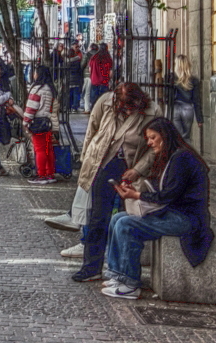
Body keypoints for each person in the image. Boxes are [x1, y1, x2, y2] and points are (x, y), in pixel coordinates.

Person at [103, 117, 213, 300]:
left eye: (153, 137)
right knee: (117, 219)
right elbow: (164, 191)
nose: (150, 143)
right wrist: (137, 192)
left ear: (165, 136)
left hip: (188, 219)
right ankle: (117, 274)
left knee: (127, 225)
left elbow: (168, 195)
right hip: (175, 212)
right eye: (148, 138)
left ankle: (129, 284)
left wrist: (136, 195)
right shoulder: (173, 156)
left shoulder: (182, 158)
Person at [71, 83, 161, 283]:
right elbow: (92, 130)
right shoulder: (106, 102)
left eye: (131, 107)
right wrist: (87, 159)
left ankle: (120, 270)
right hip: (102, 163)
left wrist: (138, 170)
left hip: (131, 167)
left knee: (124, 219)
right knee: (97, 217)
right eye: (124, 107)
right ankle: (91, 267)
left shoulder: (152, 111)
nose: (128, 110)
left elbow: (155, 147)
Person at [24, 65, 60, 185]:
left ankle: (41, 175)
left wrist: (25, 122)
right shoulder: (50, 89)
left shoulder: (37, 89)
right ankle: (50, 174)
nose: (33, 74)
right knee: (48, 149)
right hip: (48, 122)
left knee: (39, 150)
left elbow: (31, 108)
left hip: (38, 122)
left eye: (35, 72)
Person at [170, 54, 203, 142]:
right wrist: (199, 119)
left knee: (176, 138)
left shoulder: (171, 77)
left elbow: (168, 96)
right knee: (186, 138)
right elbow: (197, 100)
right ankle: (186, 154)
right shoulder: (194, 80)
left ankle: (178, 154)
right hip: (188, 109)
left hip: (175, 108)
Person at [88, 42, 112, 108]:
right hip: (104, 81)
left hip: (94, 80)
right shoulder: (108, 58)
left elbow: (90, 70)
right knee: (104, 99)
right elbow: (111, 72)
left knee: (94, 99)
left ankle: (94, 112)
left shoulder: (93, 57)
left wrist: (93, 76)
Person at [66, 48, 84, 112]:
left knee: (69, 94)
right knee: (76, 94)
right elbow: (80, 70)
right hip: (76, 79)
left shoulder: (66, 62)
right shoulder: (78, 61)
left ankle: (69, 107)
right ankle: (75, 107)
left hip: (69, 80)